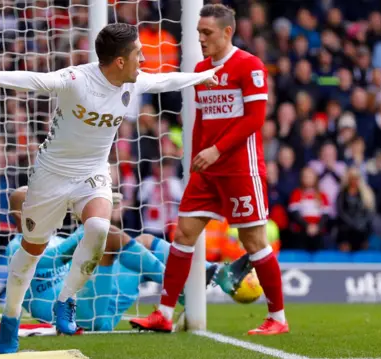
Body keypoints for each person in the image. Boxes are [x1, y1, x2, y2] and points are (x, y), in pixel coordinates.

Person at [0, 23, 222, 353]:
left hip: (93, 173)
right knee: (30, 251)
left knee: (100, 228)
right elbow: (37, 81)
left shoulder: (133, 82)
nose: (143, 59)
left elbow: (165, 80)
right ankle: (10, 317)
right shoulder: (77, 80)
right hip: (52, 175)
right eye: (137, 54)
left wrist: (200, 77)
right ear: (119, 61)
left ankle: (66, 301)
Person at [130, 4, 289, 336]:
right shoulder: (202, 70)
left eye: (207, 33)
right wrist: (196, 154)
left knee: (253, 239)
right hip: (207, 169)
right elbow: (201, 118)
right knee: (183, 234)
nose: (200, 39)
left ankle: (277, 318)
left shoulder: (249, 65)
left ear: (227, 32)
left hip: (240, 169)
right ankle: (163, 313)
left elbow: (255, 119)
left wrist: (216, 150)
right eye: (198, 33)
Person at [0, 187, 251, 332]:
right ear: (21, 213)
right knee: (110, 236)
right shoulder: (16, 247)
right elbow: (51, 260)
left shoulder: (59, 239)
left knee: (145, 241)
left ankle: (208, 276)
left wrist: (93, 222)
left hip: (99, 300)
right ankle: (186, 288)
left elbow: (78, 253)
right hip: (80, 316)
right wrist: (93, 224)